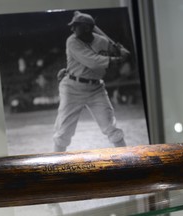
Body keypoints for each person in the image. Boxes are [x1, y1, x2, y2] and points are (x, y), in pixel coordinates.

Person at [53, 11, 130, 152]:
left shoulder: (102, 41)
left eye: (75, 26)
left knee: (111, 126)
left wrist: (120, 50)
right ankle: (55, 163)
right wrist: (119, 60)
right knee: (64, 131)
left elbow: (116, 51)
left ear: (87, 28)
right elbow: (93, 62)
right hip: (72, 88)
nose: (72, 29)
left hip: (96, 89)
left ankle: (126, 158)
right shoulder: (72, 41)